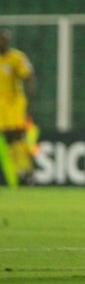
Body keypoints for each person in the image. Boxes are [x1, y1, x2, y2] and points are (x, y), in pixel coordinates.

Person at [0, 28, 37, 185]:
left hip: (15, 101)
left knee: (17, 135)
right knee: (8, 138)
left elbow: (29, 76)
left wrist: (30, 97)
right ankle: (21, 171)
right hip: (1, 103)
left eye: (4, 39)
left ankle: (28, 169)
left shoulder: (17, 58)